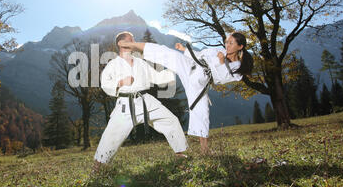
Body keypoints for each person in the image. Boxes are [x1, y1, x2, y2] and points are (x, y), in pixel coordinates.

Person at [118, 32, 254, 155]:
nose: (227, 45)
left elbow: (223, 79)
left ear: (240, 46)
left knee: (202, 112)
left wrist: (221, 63)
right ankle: (131, 45)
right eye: (226, 42)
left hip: (200, 81)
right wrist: (184, 50)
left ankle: (204, 149)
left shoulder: (238, 69)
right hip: (190, 65)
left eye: (231, 43)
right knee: (165, 52)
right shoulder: (219, 51)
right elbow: (201, 55)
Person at [93, 31, 189, 173]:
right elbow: (105, 84)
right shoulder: (113, 65)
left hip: (146, 101)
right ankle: (98, 167)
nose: (134, 42)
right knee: (111, 135)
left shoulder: (140, 62)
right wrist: (120, 82)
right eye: (130, 40)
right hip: (125, 105)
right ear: (121, 43)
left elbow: (156, 77)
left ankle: (180, 154)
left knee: (170, 120)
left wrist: (176, 70)